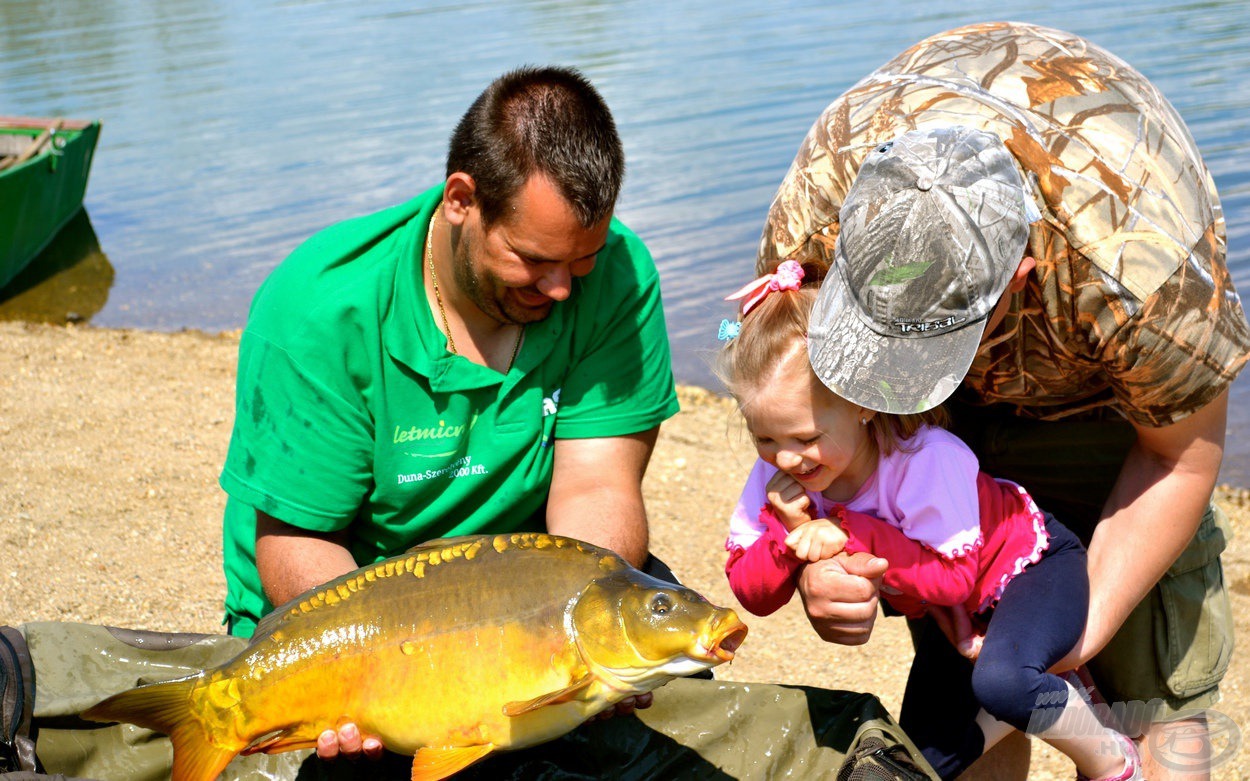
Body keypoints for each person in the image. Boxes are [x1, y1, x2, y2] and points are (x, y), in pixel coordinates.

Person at [758, 21, 1250, 780]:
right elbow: (790, 414)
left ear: (1018, 275)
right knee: (964, 688)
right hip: (948, 431)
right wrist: (820, 567)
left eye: (928, 349)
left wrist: (1072, 638)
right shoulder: (820, 205)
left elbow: (1180, 456)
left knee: (1154, 699)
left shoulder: (1138, 260)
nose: (902, 372)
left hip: (1109, 403)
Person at [214, 64, 683, 757]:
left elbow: (597, 487)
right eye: (532, 259)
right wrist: (393, 677)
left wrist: (573, 651)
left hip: (521, 603)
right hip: (344, 610)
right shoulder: (319, 309)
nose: (560, 289)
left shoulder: (617, 276)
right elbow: (292, 543)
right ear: (462, 199)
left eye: (579, 261)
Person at [716, 255, 1141, 780]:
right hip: (955, 611)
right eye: (764, 438)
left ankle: (1114, 760)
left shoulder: (926, 458)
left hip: (1027, 567)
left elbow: (953, 578)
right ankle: (1043, 689)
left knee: (1003, 682)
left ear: (862, 403)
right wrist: (789, 535)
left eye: (804, 439)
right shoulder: (777, 477)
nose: (785, 460)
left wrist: (845, 530)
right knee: (912, 767)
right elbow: (753, 594)